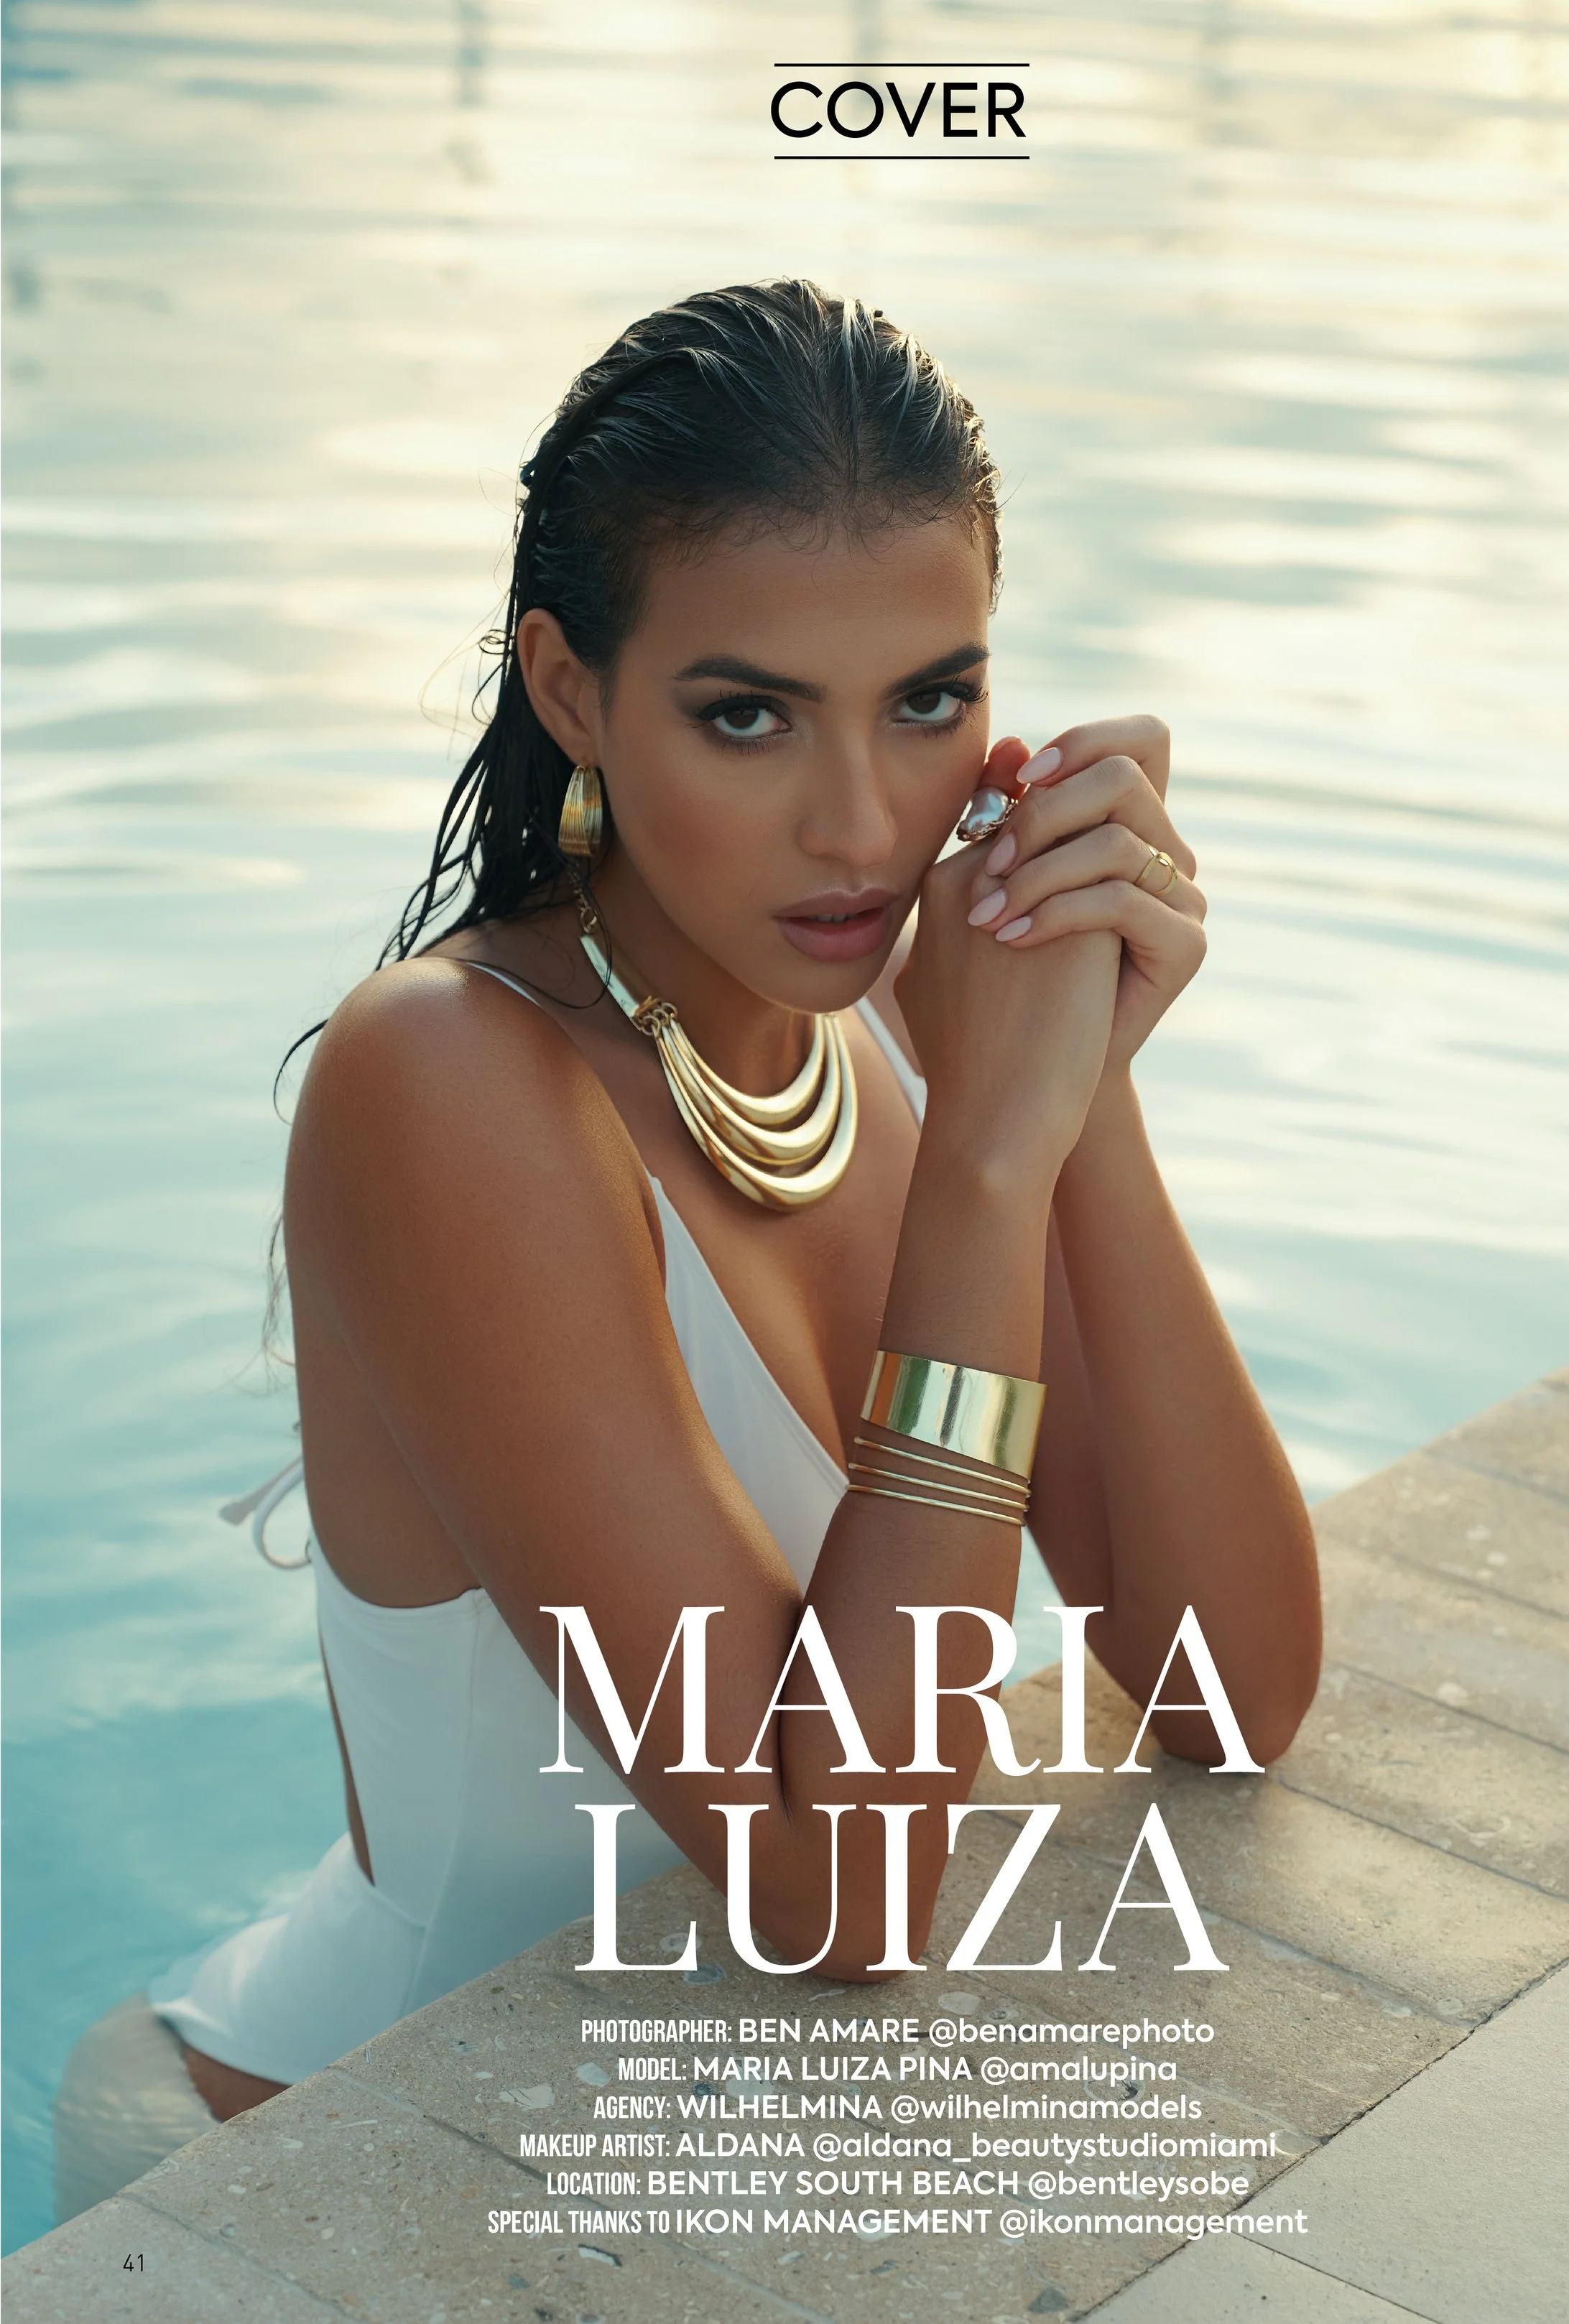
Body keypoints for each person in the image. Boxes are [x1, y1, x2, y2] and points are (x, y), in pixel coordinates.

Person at [53, 279, 1321, 2219]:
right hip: (307, 2171)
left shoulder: (914, 1023)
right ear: (571, 689)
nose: (859, 826)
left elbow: (1226, 1693)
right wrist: (984, 1174)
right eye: (745, 715)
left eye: (928, 703)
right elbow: (844, 1892)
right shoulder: (451, 1083)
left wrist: (1077, 1088)